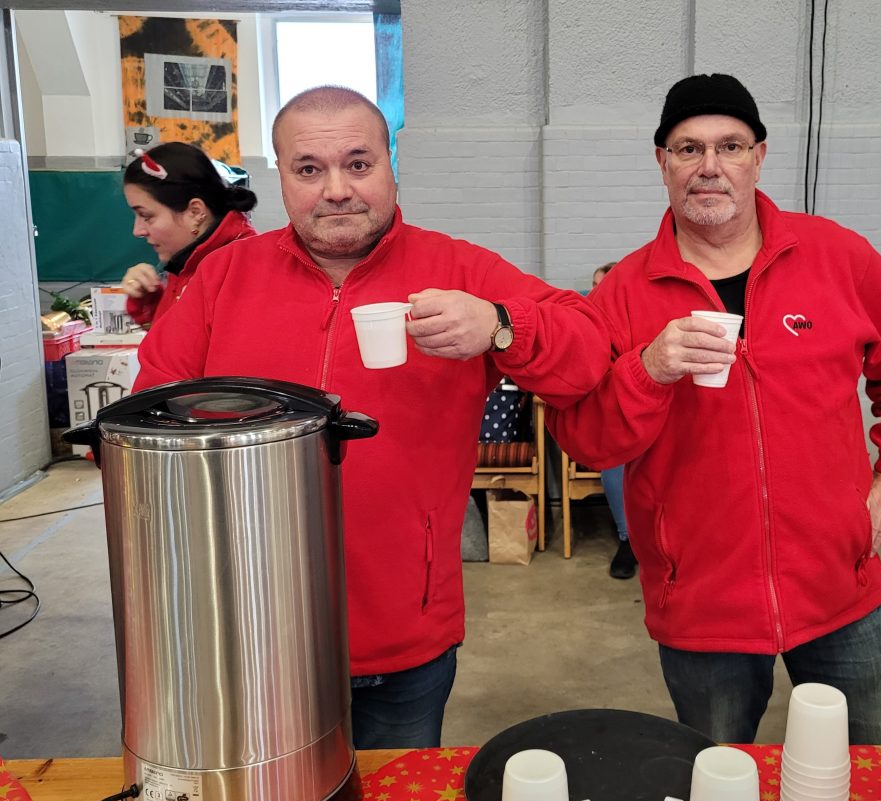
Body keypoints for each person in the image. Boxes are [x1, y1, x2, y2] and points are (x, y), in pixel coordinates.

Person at [132, 86, 611, 750]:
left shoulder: (457, 269)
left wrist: (501, 324)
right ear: (280, 177)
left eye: (358, 164)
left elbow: (589, 353)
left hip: (403, 632)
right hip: (248, 629)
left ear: (390, 166)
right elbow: (148, 413)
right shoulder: (223, 279)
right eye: (309, 169)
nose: (336, 190)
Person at [548, 74, 881, 744]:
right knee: (718, 777)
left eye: (730, 146)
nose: (710, 166)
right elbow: (587, 439)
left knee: (870, 766)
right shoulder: (621, 294)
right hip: (702, 603)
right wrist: (649, 369)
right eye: (689, 149)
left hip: (839, 585)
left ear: (758, 157)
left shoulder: (836, 256)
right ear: (663, 163)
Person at [120, 142, 258, 327]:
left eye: (146, 216)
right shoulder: (189, 259)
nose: (137, 231)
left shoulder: (241, 270)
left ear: (195, 212)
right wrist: (150, 301)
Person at [590, 262, 636, 580]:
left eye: (602, 286)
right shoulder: (585, 325)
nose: (596, 293)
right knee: (615, 463)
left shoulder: (635, 320)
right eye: (594, 286)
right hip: (609, 420)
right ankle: (627, 540)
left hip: (646, 415)